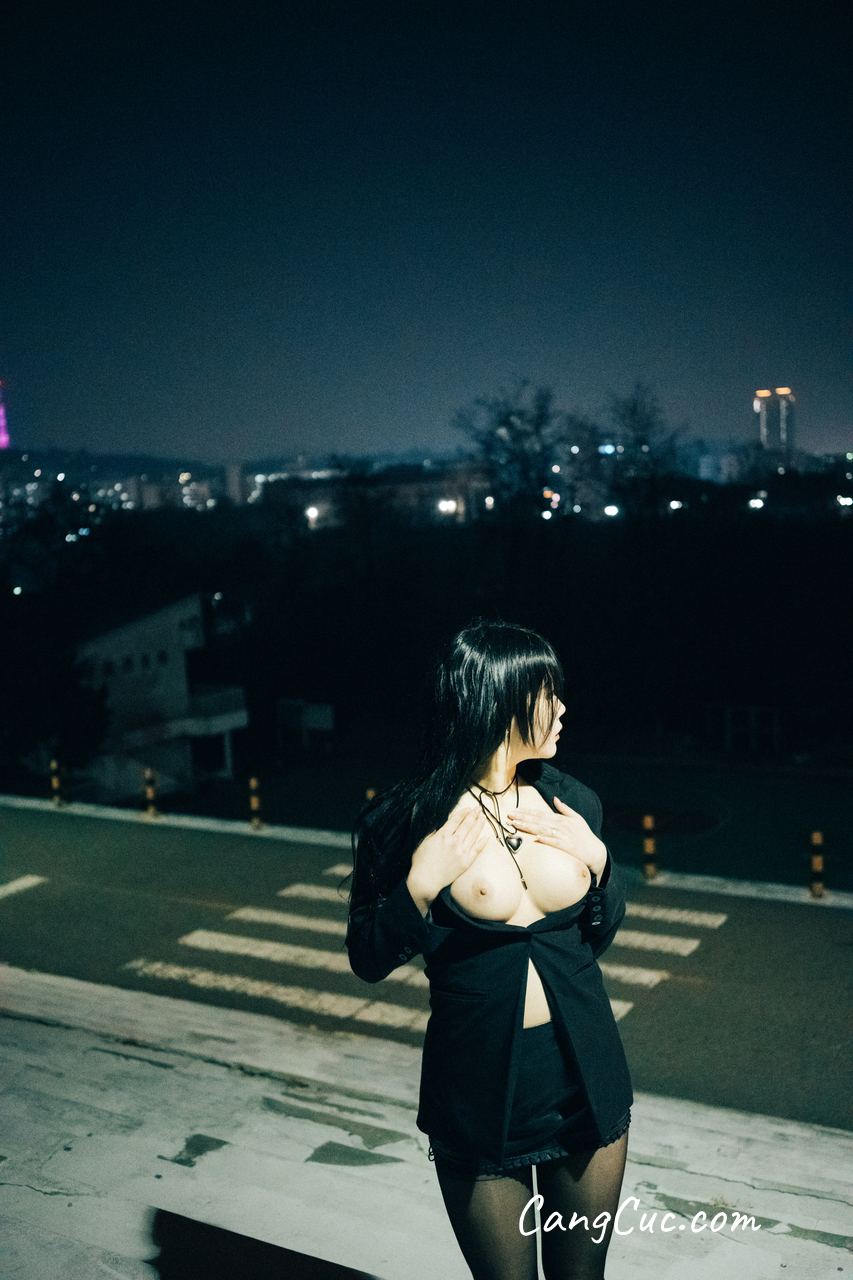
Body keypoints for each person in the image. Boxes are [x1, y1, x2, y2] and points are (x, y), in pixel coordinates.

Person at [346, 620, 633, 1280]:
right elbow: (367, 956)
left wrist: (599, 863)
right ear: (500, 701)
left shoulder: (573, 802)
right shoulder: (408, 819)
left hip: (585, 1079)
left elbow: (595, 938)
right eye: (548, 694)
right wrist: (419, 884)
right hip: (478, 1091)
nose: (562, 708)